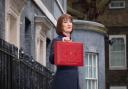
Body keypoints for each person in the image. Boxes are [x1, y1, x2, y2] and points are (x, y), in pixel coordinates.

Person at [49, 14, 80, 89]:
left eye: (70, 22)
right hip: (63, 78)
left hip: (74, 79)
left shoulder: (74, 42)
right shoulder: (57, 40)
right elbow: (51, 59)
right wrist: (62, 44)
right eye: (65, 22)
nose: (69, 24)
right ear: (61, 26)